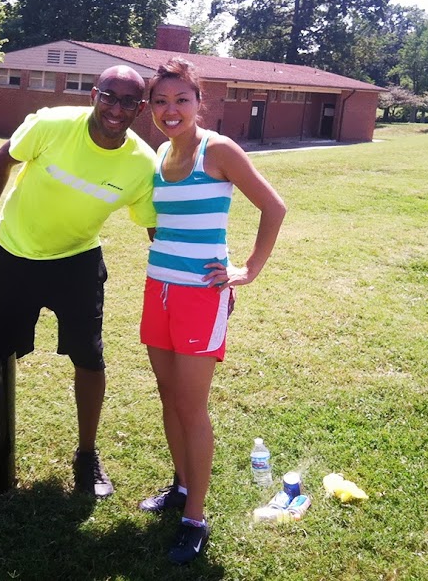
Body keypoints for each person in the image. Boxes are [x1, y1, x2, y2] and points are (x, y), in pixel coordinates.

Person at [0, 65, 157, 498]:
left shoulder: (142, 165)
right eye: (110, 96)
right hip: (13, 252)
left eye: (129, 101)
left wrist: (194, 274)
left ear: (140, 107)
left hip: (77, 261)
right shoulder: (53, 124)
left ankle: (86, 455)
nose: (117, 108)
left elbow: (153, 229)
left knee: (90, 358)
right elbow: (4, 158)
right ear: (94, 94)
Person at [136, 58, 286, 565]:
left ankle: (195, 517)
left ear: (200, 103)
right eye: (160, 101)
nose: (170, 110)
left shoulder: (217, 149)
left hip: (201, 297)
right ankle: (181, 484)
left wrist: (247, 269)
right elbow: (165, 221)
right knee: (167, 394)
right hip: (158, 288)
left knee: (191, 405)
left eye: (181, 100)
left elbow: (274, 206)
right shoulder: (160, 153)